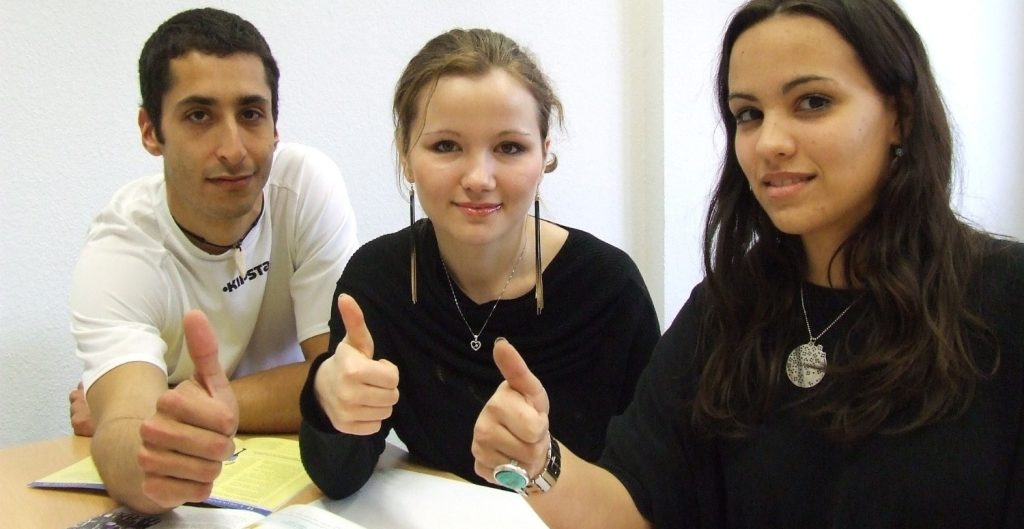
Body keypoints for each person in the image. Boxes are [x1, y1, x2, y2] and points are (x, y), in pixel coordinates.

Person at [470, 0, 1024, 527]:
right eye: (749, 114)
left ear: (899, 115)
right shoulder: (728, 309)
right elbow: (635, 507)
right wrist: (539, 462)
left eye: (813, 102)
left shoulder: (1004, 298)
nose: (768, 143)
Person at [298, 28, 660, 498]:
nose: (478, 178)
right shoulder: (378, 281)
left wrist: (546, 464)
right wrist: (328, 399)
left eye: (509, 147)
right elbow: (339, 478)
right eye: (446, 146)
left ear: (544, 154)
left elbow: (653, 488)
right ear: (406, 155)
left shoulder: (609, 290)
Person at [69, 8, 358, 513]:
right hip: (201, 496)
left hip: (303, 481)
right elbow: (122, 427)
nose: (233, 149)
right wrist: (145, 459)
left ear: (275, 126)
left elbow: (338, 377)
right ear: (150, 131)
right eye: (199, 115)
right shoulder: (122, 250)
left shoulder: (305, 188)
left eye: (251, 114)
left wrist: (194, 399)